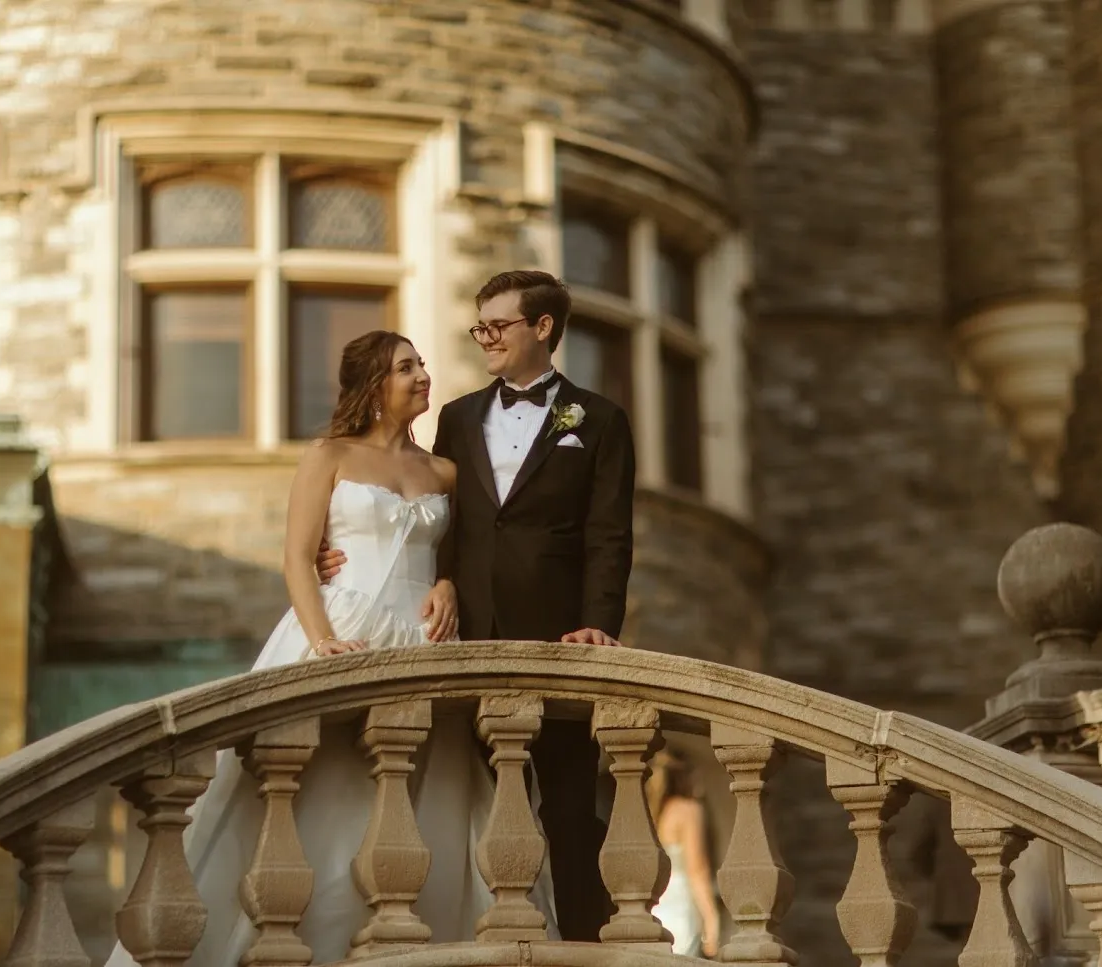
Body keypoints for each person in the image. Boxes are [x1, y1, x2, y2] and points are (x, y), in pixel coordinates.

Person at [103, 330, 557, 967]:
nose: (423, 375)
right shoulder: (329, 456)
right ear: (374, 387)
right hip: (343, 624)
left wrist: (448, 580)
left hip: (425, 643)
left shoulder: (446, 472)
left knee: (431, 802)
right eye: (407, 368)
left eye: (422, 364)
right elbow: (296, 557)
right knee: (323, 798)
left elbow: (478, 547)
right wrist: (321, 640)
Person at [317, 270, 636, 941]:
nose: (484, 337)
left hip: (558, 638)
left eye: (497, 325)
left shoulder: (600, 420)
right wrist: (428, 575)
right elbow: (441, 521)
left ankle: (579, 940)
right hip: (460, 637)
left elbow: (609, 534)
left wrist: (598, 625)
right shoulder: (458, 418)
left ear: (541, 328)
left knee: (571, 803)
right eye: (479, 326)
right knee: (464, 797)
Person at [647, 750, 721, 958]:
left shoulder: (650, 812)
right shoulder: (687, 810)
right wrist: (711, 920)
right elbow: (697, 870)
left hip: (653, 909)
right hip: (680, 909)